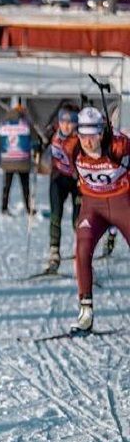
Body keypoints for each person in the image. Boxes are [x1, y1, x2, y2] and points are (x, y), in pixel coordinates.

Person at [67, 106, 130, 334]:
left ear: (102, 133)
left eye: (92, 136)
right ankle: (86, 312)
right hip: (93, 206)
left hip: (122, 201)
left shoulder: (118, 145)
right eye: (83, 136)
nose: (87, 141)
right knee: (82, 249)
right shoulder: (72, 147)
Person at [42, 103, 80, 274]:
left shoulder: (81, 138)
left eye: (70, 122)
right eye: (63, 121)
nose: (65, 125)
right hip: (58, 178)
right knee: (55, 215)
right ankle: (54, 254)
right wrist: (38, 146)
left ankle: (81, 255)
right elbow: (43, 141)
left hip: (77, 182)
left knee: (77, 220)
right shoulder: (54, 131)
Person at [0, 105, 38, 215]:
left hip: (8, 159)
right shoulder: (26, 123)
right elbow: (34, 138)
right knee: (25, 186)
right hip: (22, 160)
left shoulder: (4, 123)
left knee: (7, 185)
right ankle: (28, 208)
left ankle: (4, 207)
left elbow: (0, 139)